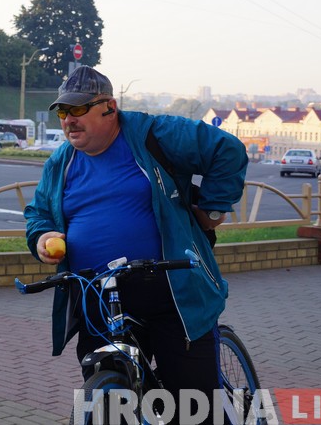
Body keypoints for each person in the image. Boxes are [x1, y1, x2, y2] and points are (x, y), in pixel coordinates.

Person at [24, 65, 248, 423]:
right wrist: (43, 236)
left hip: (169, 289)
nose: (69, 120)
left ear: (109, 107)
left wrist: (212, 208)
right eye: (64, 111)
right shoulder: (60, 162)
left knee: (192, 407)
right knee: (110, 404)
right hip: (98, 294)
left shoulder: (151, 134)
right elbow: (38, 213)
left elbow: (228, 149)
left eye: (79, 109)